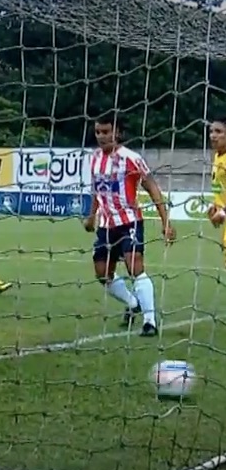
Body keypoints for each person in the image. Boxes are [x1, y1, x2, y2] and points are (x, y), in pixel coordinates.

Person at [84, 111, 175, 337]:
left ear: (118, 132)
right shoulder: (94, 158)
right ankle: (133, 303)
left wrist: (166, 221)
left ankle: (149, 321)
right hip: (106, 225)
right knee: (102, 273)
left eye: (106, 132)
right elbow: (97, 190)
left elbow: (152, 187)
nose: (102, 136)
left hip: (129, 222)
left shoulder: (130, 158)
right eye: (98, 132)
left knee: (135, 267)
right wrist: (91, 216)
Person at [206, 117, 226, 262]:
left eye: (218, 131)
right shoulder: (218, 157)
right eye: (211, 131)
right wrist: (216, 206)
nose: (213, 135)